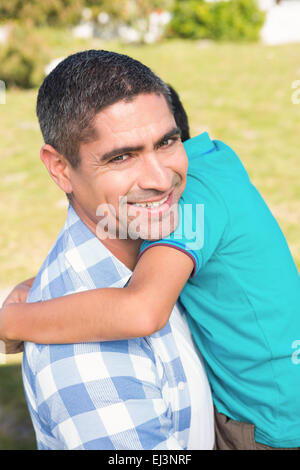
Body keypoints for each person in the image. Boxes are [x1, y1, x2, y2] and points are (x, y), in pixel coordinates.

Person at [1, 48, 300, 450]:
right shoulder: (212, 170)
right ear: (60, 167)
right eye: (122, 156)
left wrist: (12, 321)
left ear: (179, 134)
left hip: (271, 427)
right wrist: (38, 284)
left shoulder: (192, 202)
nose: (160, 180)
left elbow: (140, 308)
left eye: (166, 142)